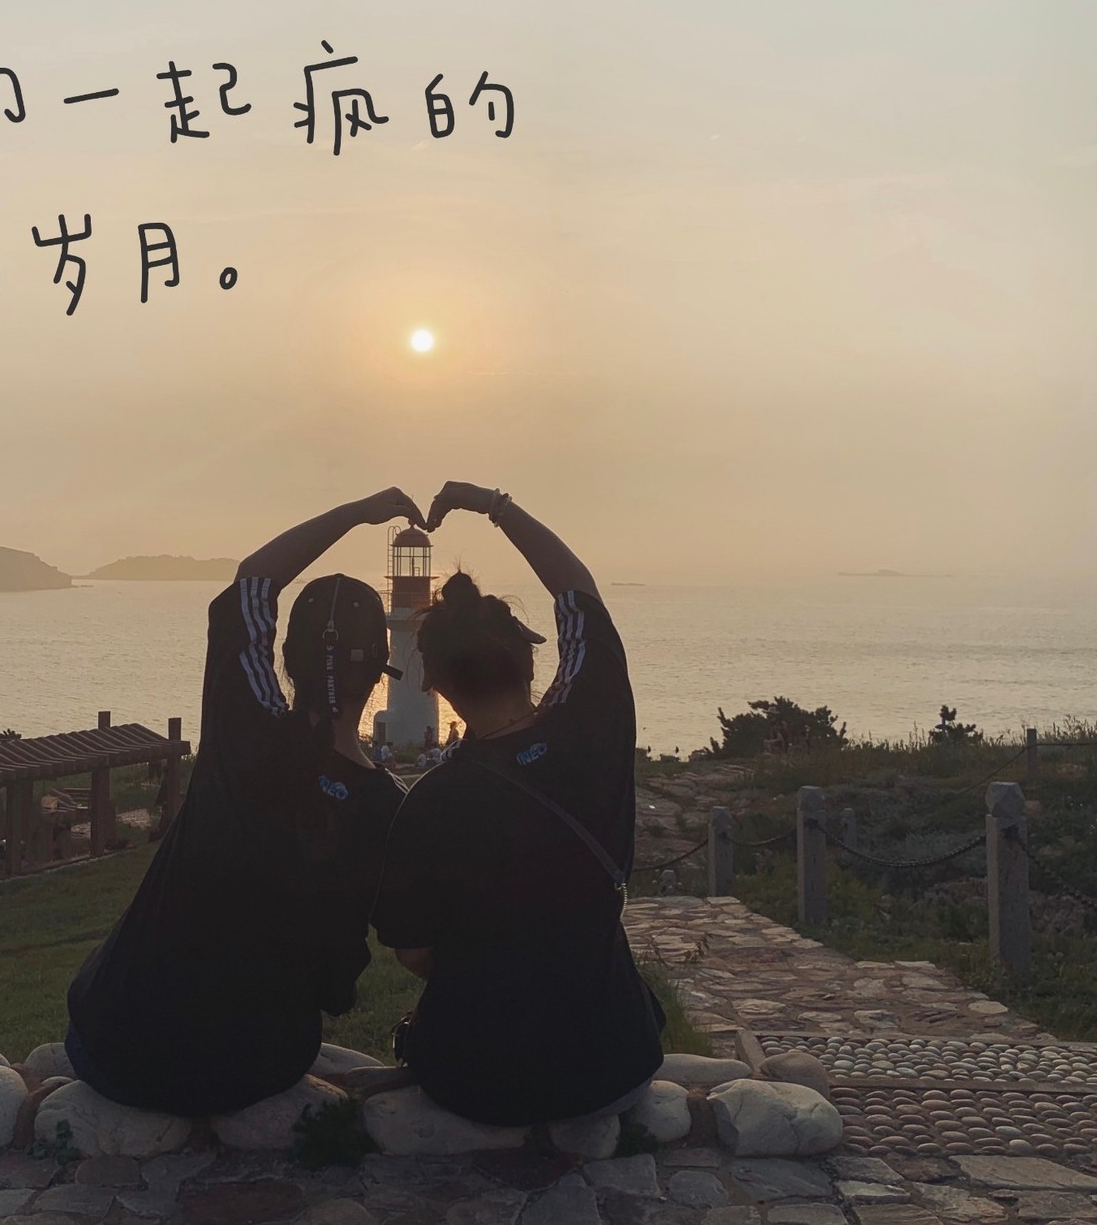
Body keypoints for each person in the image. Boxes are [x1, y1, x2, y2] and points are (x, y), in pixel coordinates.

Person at [65, 488, 419, 1117]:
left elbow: (252, 580)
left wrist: (356, 513)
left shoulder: (245, 727)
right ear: (380, 670)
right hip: (252, 1067)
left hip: (111, 1044)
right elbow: (358, 971)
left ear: (286, 660)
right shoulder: (386, 811)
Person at [373, 481, 665, 1127]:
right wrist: (494, 506)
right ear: (529, 660)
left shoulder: (428, 805)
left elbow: (414, 953)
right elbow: (578, 593)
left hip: (476, 1081)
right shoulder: (595, 728)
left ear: (435, 682)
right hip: (612, 1065)